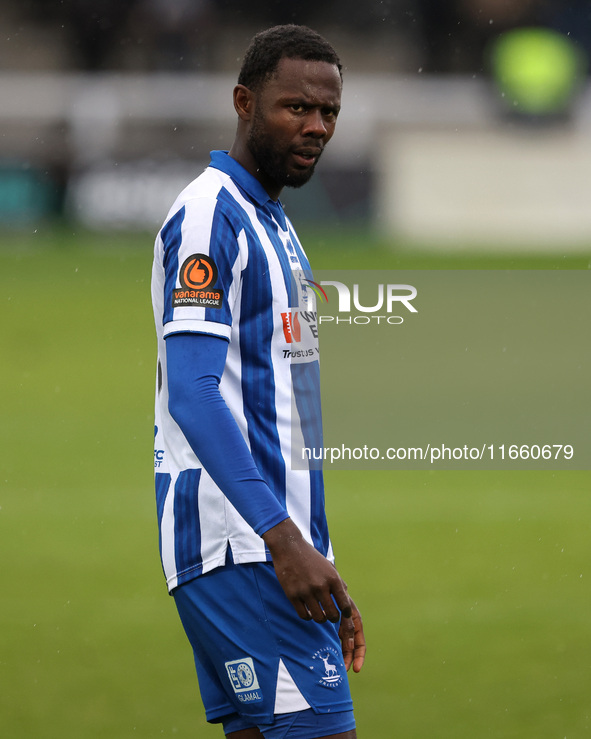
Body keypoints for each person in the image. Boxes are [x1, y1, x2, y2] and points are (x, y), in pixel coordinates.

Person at [151, 24, 365, 739]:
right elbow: (192, 391)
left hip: (269, 550)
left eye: (328, 112)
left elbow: (281, 406)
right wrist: (283, 542)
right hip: (242, 547)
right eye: (294, 108)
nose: (315, 127)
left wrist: (317, 557)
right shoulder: (213, 216)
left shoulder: (273, 222)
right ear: (244, 102)